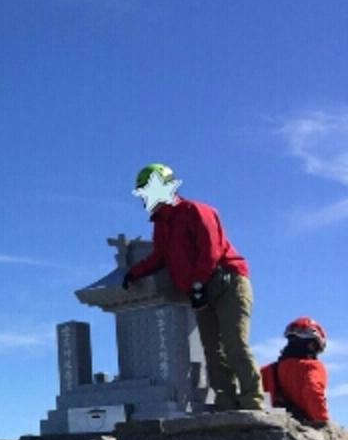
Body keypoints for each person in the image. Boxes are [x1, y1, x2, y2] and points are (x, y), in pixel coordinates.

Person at [122, 163, 264, 410]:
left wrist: (198, 283)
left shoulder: (196, 210)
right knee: (212, 349)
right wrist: (134, 273)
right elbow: (160, 257)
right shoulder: (161, 224)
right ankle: (226, 400)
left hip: (228, 283)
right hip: (200, 292)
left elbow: (211, 251)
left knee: (234, 343)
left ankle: (252, 398)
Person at [262, 317, 331, 426]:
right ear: (312, 345)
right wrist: (321, 419)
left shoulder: (266, 370)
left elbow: (263, 402)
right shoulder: (313, 367)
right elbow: (313, 390)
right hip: (301, 427)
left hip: (269, 427)